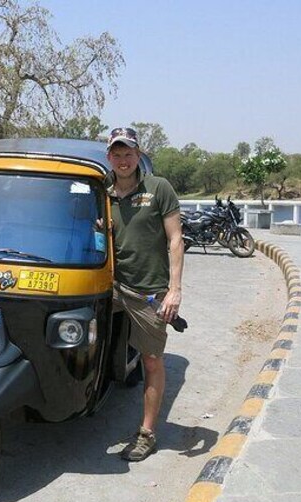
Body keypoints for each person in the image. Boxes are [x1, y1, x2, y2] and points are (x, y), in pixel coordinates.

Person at [105, 126, 184, 462]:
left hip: (148, 292)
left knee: (152, 360)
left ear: (138, 155)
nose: (123, 160)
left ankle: (148, 433)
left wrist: (174, 291)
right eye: (117, 154)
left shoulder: (158, 188)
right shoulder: (101, 191)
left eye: (128, 153)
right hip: (107, 286)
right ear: (109, 157)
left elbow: (176, 240)